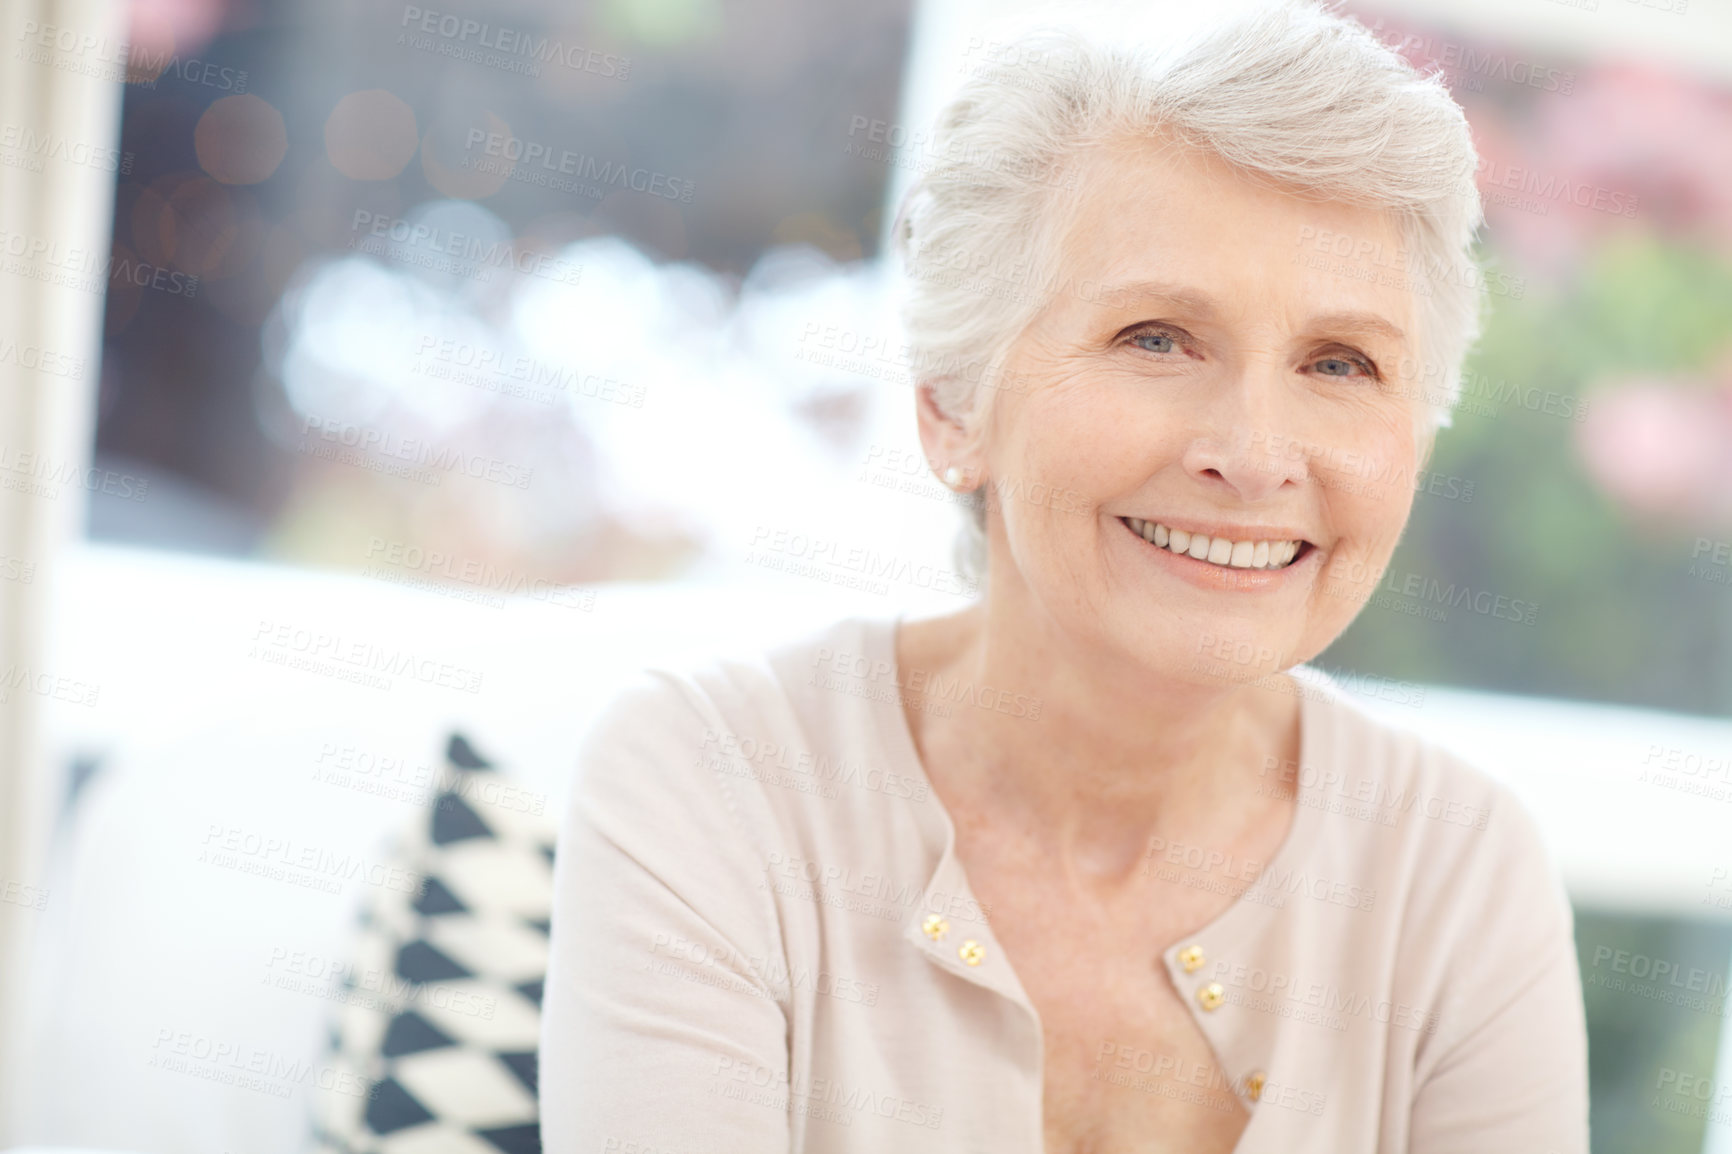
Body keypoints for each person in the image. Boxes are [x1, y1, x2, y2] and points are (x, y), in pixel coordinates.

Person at [540, 3, 1590, 1150]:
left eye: (1339, 362)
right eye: (1154, 337)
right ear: (952, 403)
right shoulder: (711, 786)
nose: (1251, 455)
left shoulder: (1460, 874)